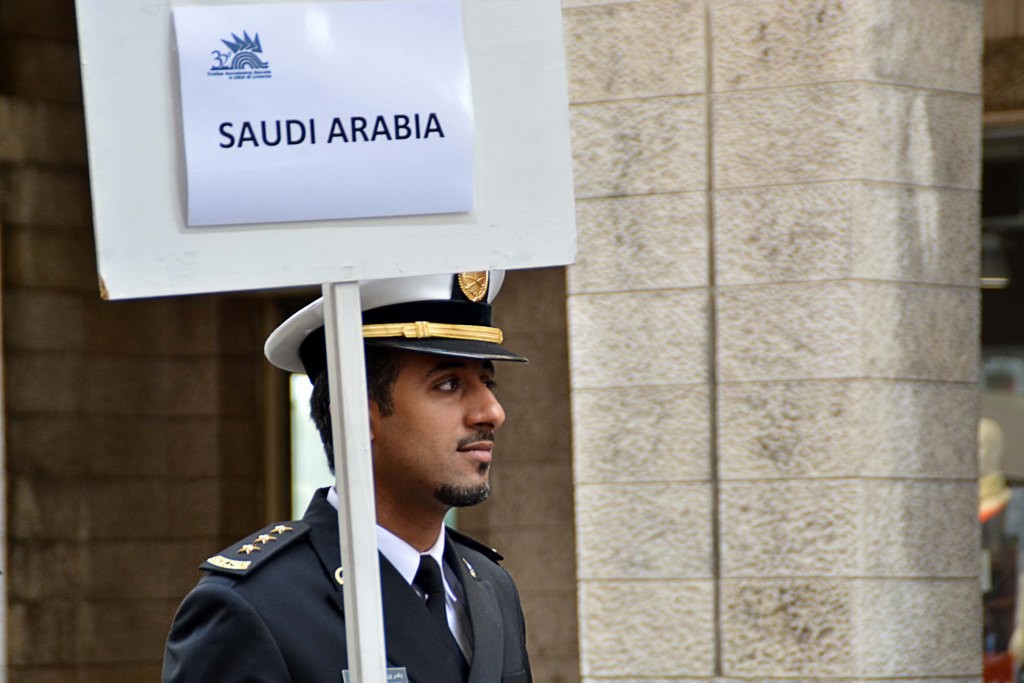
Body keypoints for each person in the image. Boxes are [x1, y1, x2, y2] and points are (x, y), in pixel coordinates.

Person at [162, 271, 533, 683]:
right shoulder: (254, 606)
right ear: (355, 413)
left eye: (487, 381)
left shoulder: (490, 586)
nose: (492, 412)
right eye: (448, 384)